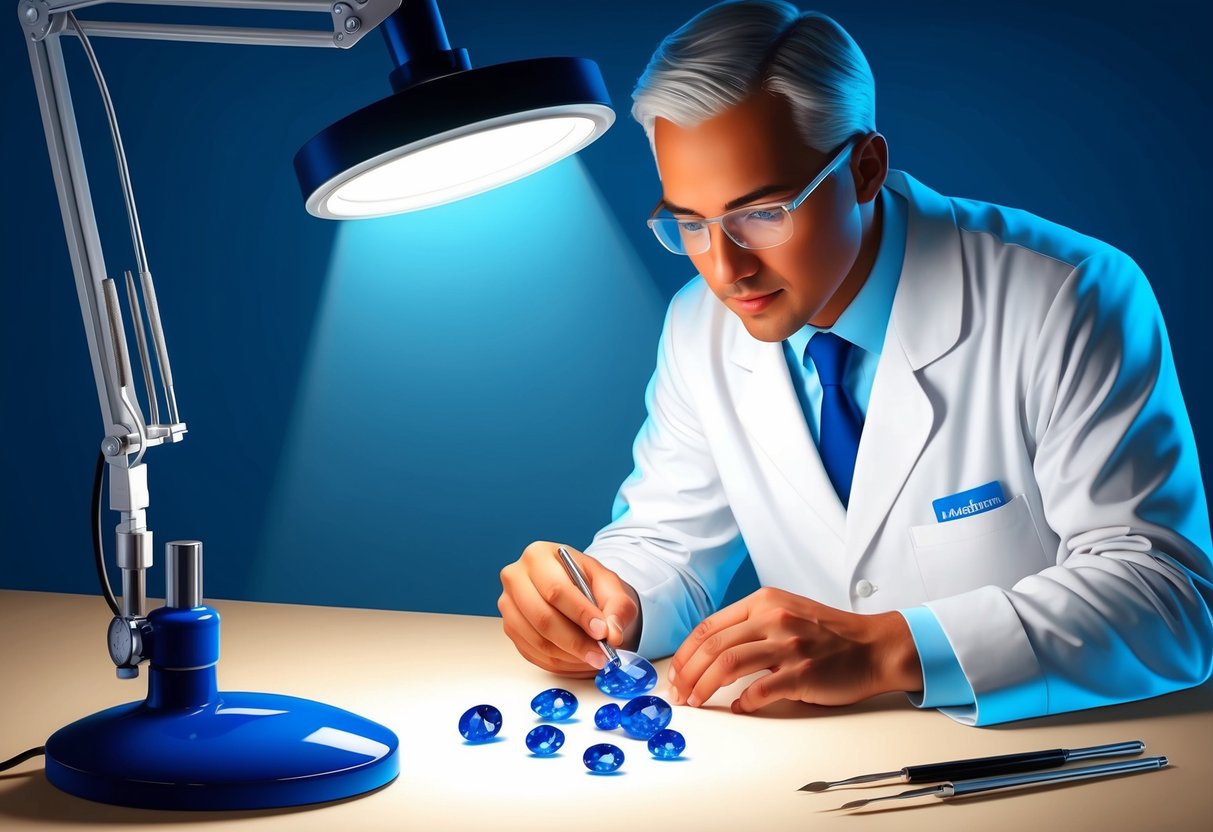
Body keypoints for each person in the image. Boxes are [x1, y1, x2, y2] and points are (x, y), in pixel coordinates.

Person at [497, 0, 1213, 725]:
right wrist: (599, 597)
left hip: (1052, 756)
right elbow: (669, 544)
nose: (725, 269)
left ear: (865, 168)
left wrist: (887, 650)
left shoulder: (1069, 293)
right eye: (689, 222)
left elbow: (1166, 601)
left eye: (762, 212)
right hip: (815, 763)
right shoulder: (697, 324)